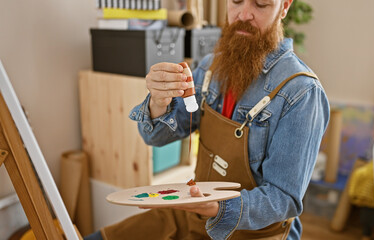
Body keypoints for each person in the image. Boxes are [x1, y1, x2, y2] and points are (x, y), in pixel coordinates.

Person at [85, 0, 329, 239]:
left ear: (284, 6)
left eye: (260, 4)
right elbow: (154, 136)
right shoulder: (209, 69)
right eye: (236, 1)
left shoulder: (301, 93)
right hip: (196, 213)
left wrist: (218, 208)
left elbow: (283, 200)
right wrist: (157, 102)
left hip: (254, 232)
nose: (244, 14)